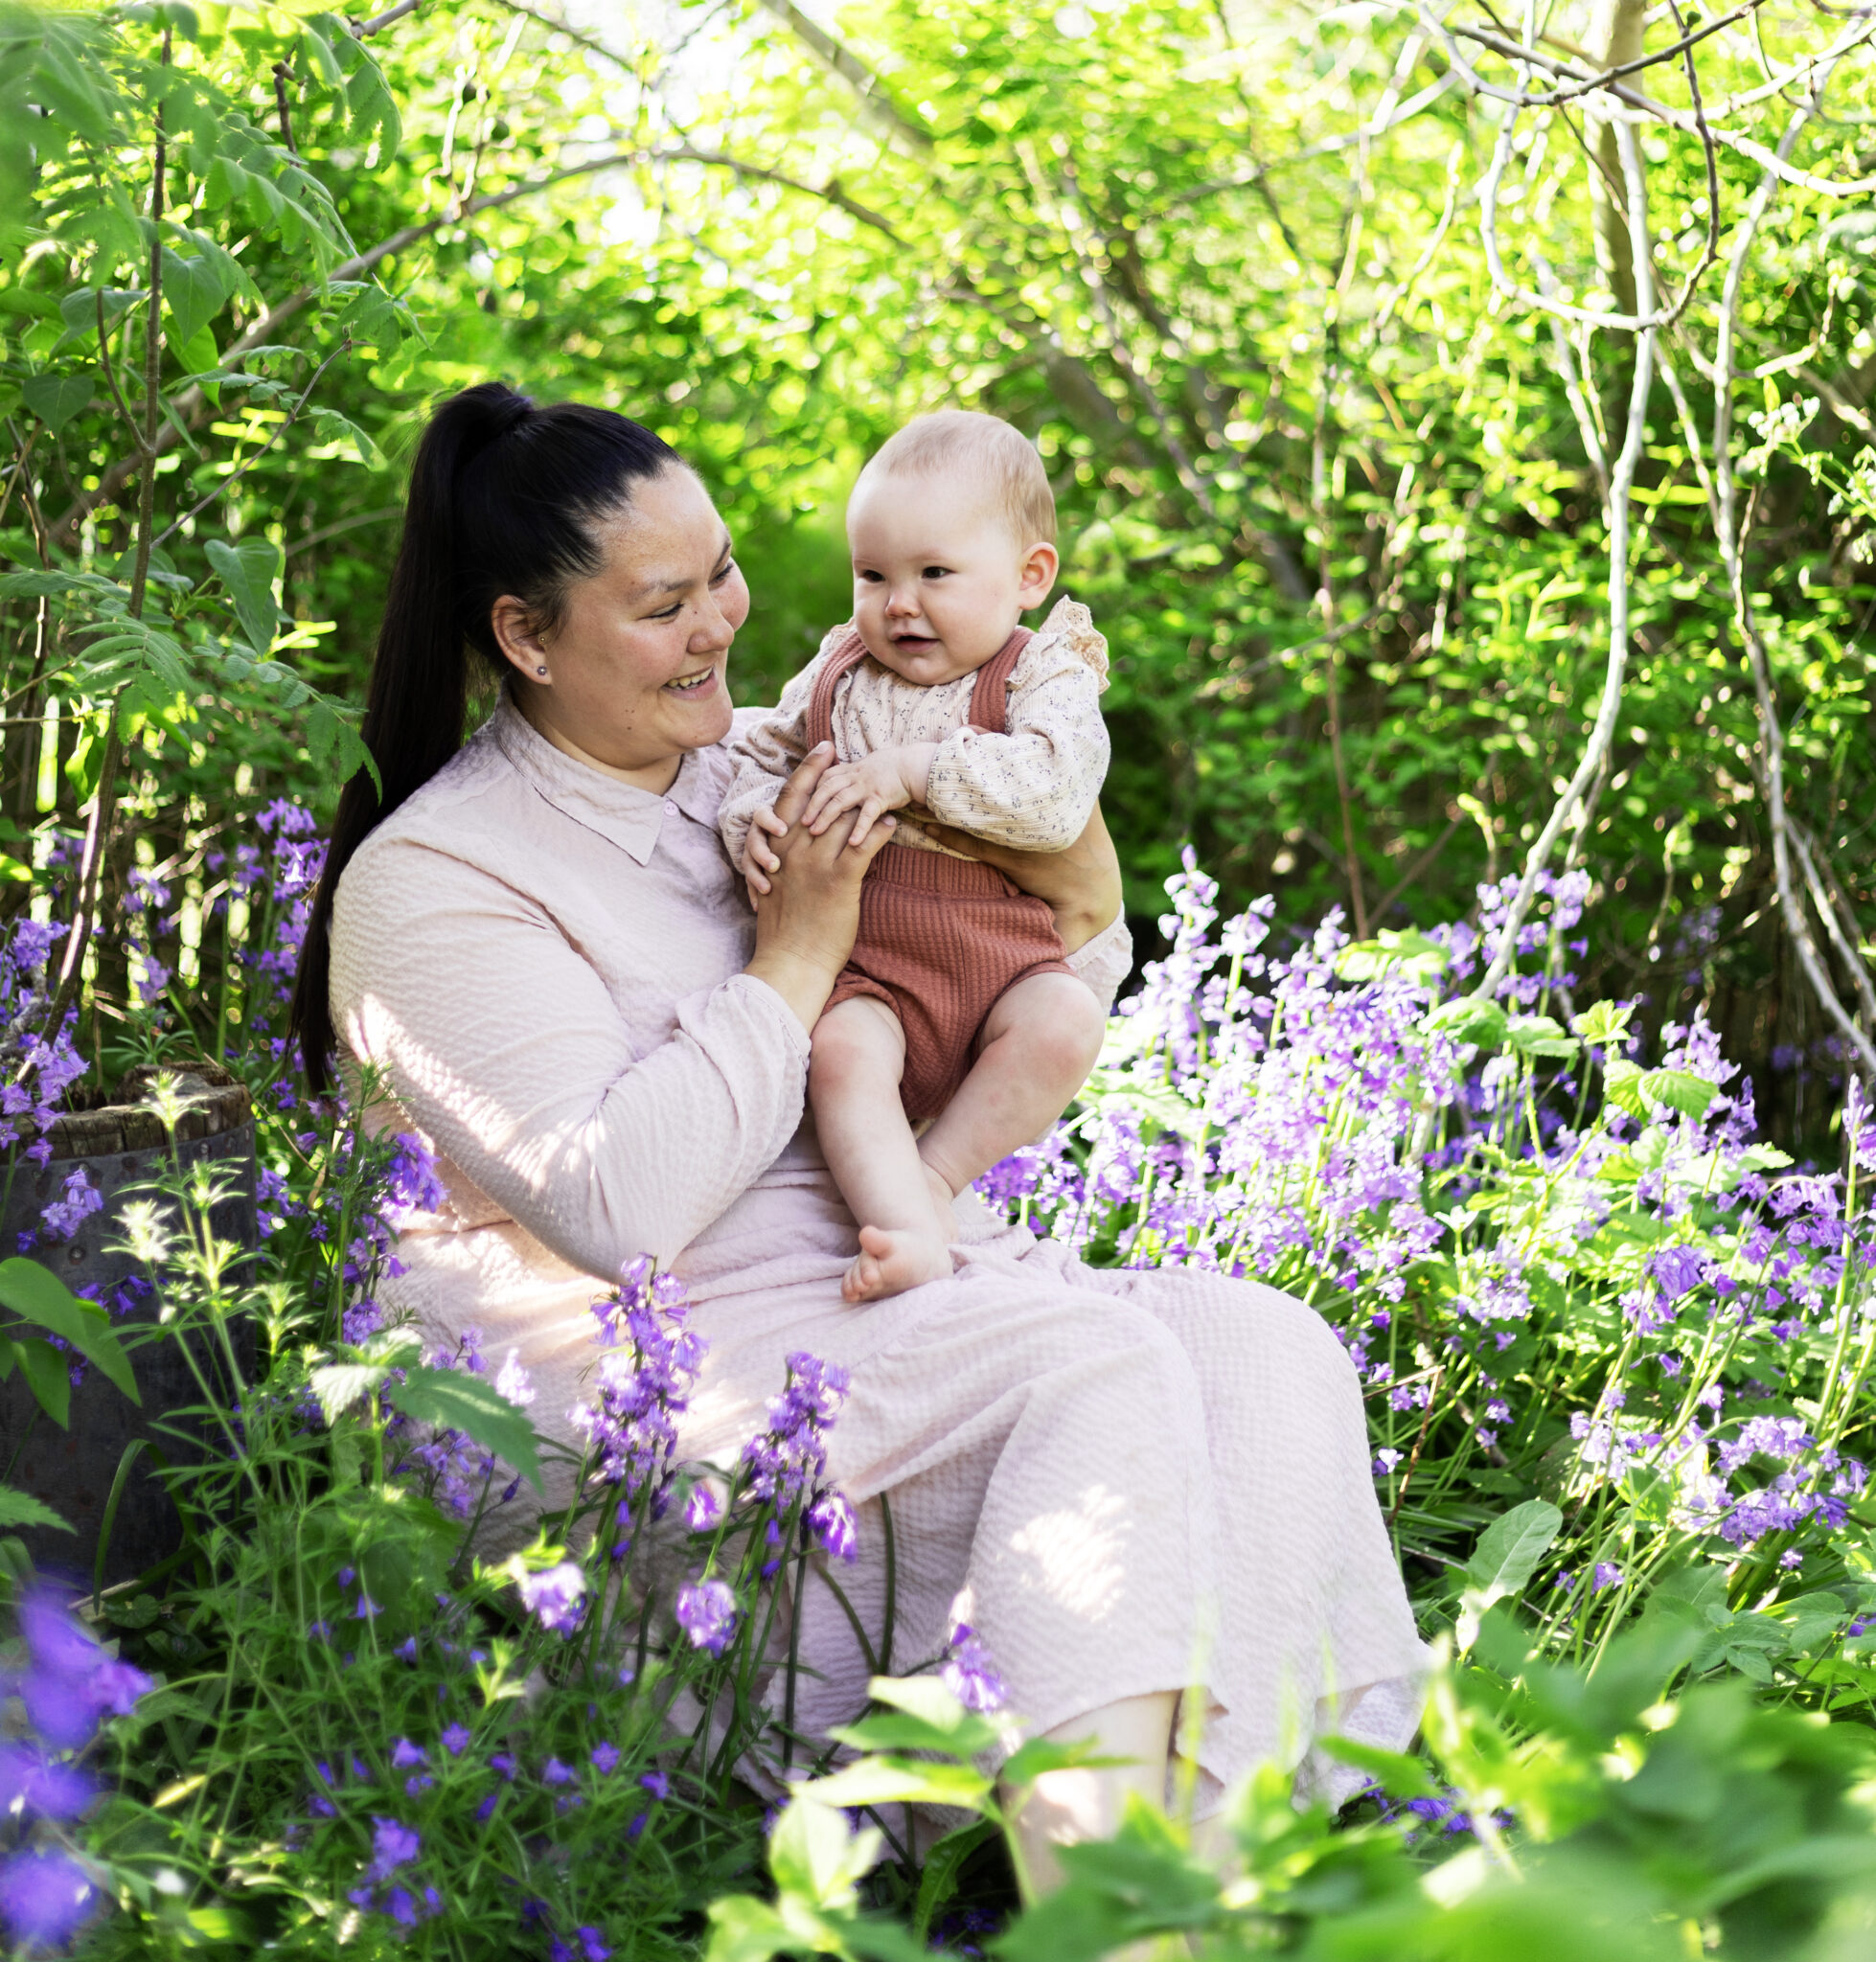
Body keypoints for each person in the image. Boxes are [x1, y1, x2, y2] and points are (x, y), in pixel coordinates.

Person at [291, 381, 1427, 1897]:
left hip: (859, 1286)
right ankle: (1104, 1913)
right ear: (523, 637)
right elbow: (615, 1208)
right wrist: (797, 957)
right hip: (645, 1393)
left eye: (724, 578)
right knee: (1091, 1369)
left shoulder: (748, 763)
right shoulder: (437, 879)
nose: (720, 626)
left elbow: (1060, 938)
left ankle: (1188, 1882)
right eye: (664, 605)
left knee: (1262, 1349)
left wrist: (1074, 905)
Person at [720, 411, 1110, 1305]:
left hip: (999, 963)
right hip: (870, 967)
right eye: (873, 575)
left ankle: (934, 1183)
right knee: (843, 1055)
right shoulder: (838, 669)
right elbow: (758, 758)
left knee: (1066, 1023)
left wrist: (915, 771)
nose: (900, 602)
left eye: (935, 573)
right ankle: (901, 1229)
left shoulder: (1041, 674)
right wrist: (755, 822)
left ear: (1028, 577)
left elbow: (1057, 795)